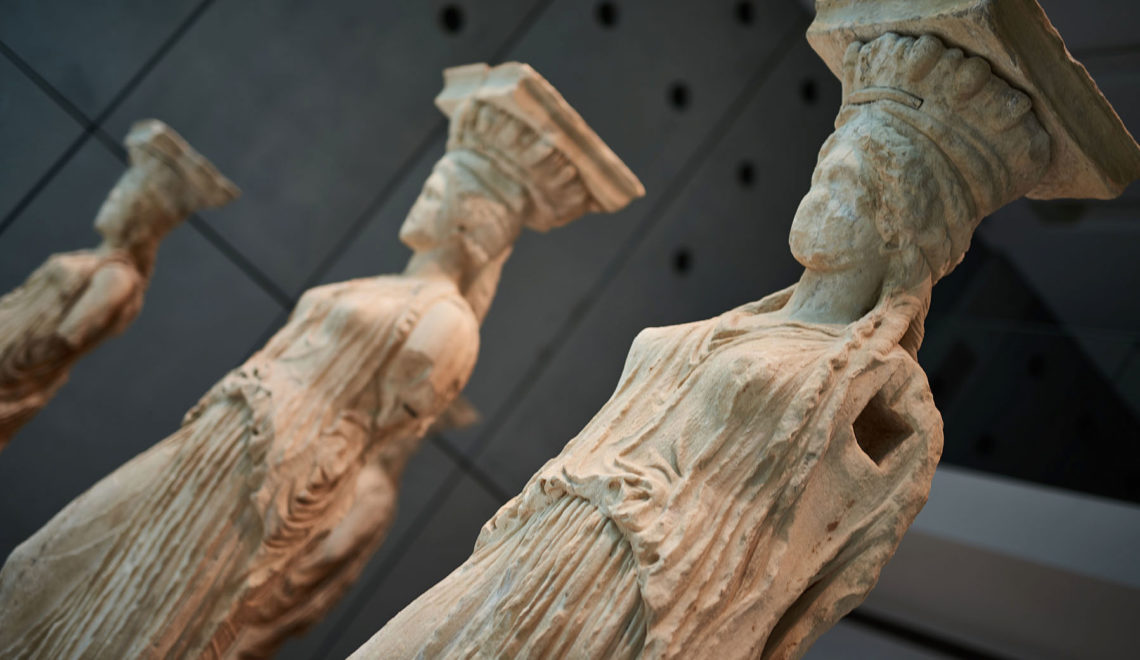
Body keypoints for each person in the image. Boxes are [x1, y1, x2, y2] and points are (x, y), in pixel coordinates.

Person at [352, 25, 1139, 660]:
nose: (821, 185)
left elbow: (819, 584)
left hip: (639, 599)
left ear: (906, 227)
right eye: (826, 164)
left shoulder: (886, 399)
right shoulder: (748, 321)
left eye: (851, 179)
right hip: (538, 539)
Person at [0, 63, 643, 659]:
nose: (426, 193)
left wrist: (285, 492)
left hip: (258, 482)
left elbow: (378, 434)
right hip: (216, 440)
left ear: (477, 219)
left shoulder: (448, 323)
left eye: (444, 187)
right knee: (39, 570)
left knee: (107, 605)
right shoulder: (390, 287)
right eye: (434, 179)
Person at [0, 120, 237, 449]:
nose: (110, 199)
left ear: (141, 213)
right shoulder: (96, 260)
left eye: (120, 195)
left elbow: (59, 342)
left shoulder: (118, 278)